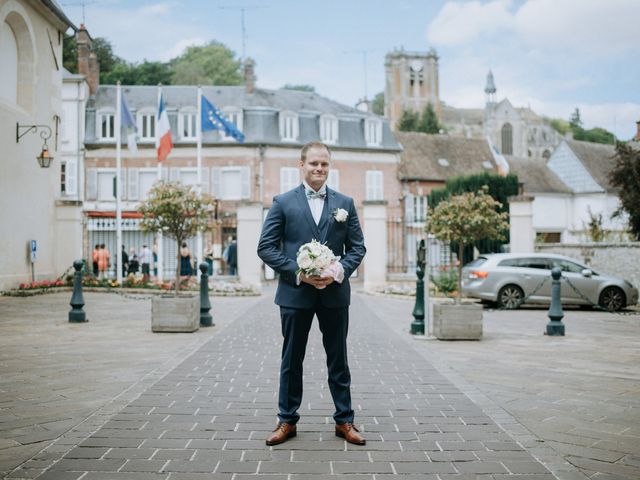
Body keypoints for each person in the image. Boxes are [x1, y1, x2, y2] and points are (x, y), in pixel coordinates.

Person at [257, 141, 366, 446]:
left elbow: (357, 247)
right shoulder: (283, 202)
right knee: (292, 359)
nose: (319, 168)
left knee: (338, 359)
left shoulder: (345, 203)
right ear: (301, 165)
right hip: (295, 295)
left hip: (334, 296)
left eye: (324, 164)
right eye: (314, 163)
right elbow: (265, 247)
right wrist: (299, 272)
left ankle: (344, 420)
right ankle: (287, 420)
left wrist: (337, 271)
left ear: (330, 167)